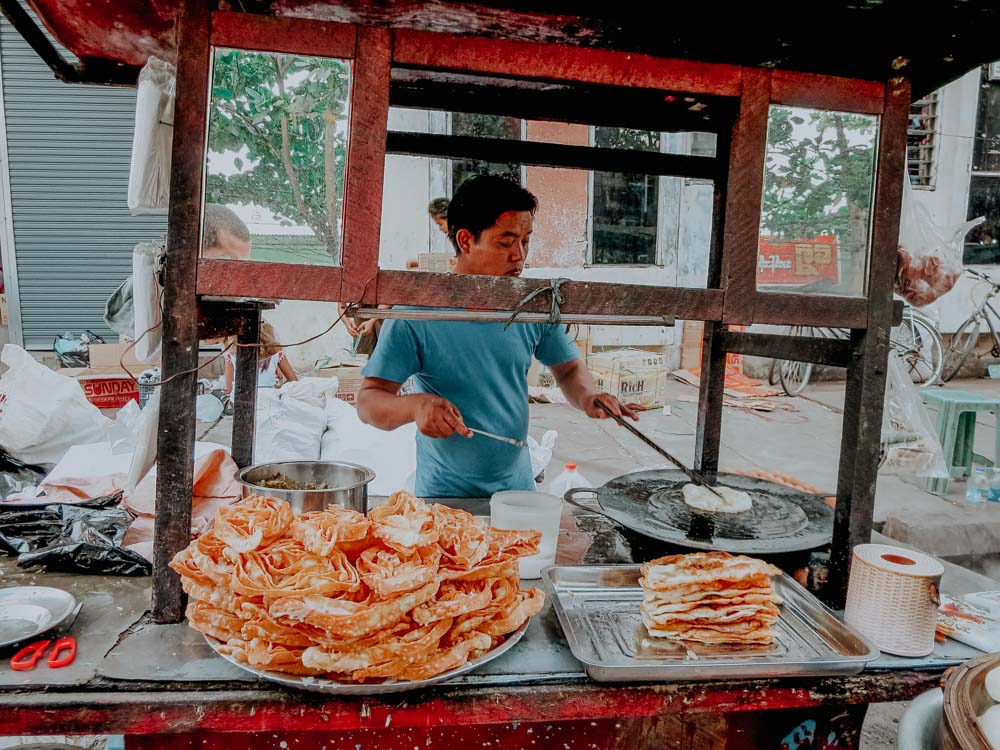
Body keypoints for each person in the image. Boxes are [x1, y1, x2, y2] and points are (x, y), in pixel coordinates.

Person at [357, 175, 636, 498]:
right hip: (444, 497)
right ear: (465, 240)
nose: (519, 255)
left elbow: (568, 369)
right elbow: (368, 401)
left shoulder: (531, 305)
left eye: (526, 241)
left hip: (516, 491)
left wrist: (588, 396)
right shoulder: (418, 315)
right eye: (505, 242)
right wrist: (415, 407)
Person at [223, 321, 297, 403]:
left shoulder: (231, 354)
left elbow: (228, 388)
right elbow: (293, 380)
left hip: (242, 399)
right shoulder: (276, 353)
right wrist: (279, 388)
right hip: (269, 398)